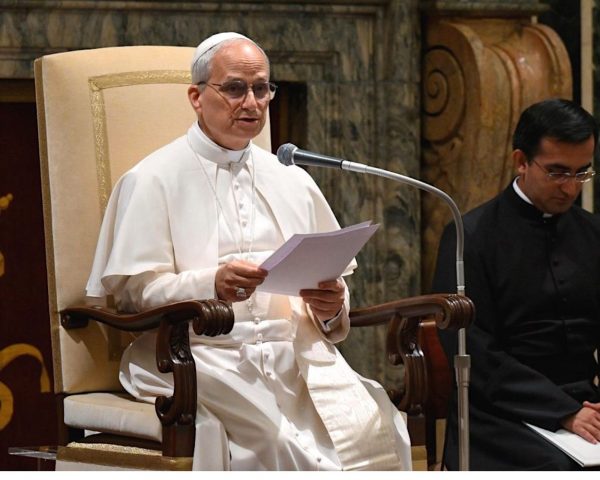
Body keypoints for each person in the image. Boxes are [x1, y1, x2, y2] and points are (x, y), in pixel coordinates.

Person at [86, 32, 411, 471]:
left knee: (379, 425)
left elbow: (328, 283)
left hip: (294, 357)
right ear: (197, 97)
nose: (252, 103)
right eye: (236, 88)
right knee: (281, 442)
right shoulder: (152, 180)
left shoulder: (291, 177)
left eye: (262, 89)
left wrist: (333, 306)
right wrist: (210, 284)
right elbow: (132, 294)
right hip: (198, 357)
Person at [432, 98, 600, 470]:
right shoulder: (469, 237)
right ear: (521, 161)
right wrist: (562, 412)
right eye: (558, 172)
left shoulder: (593, 233)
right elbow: (473, 350)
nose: (571, 188)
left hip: (584, 403)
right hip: (499, 412)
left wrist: (584, 409)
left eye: (582, 173)